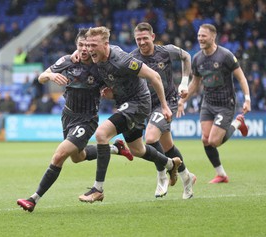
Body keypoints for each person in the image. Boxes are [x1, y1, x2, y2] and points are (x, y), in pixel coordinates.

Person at [16, 28, 133, 212]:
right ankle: (115, 148)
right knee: (77, 158)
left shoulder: (99, 65)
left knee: (59, 155)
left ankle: (33, 199)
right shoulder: (67, 60)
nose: (84, 49)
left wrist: (112, 93)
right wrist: (51, 75)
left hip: (87, 119)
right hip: (68, 115)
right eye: (81, 45)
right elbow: (41, 78)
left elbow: (115, 79)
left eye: (87, 45)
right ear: (76, 46)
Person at [77, 26, 182, 203]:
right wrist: (111, 92)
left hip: (138, 103)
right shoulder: (97, 58)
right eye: (87, 45)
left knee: (102, 134)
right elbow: (83, 55)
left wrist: (164, 106)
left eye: (93, 45)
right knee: (137, 149)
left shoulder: (122, 60)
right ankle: (171, 164)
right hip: (125, 104)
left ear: (105, 44)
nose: (89, 49)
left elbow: (154, 76)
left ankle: (98, 189)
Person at [177, 24, 251, 184]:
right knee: (205, 139)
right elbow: (195, 84)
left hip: (226, 103)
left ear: (213, 37)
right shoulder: (197, 58)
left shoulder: (225, 56)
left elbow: (241, 77)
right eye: (198, 36)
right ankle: (222, 175)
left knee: (214, 141)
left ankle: (238, 123)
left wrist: (247, 98)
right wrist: (182, 100)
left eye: (203, 36)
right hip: (208, 103)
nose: (200, 39)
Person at [130, 22, 196, 199]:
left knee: (150, 138)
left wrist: (184, 82)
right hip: (146, 105)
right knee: (168, 147)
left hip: (168, 102)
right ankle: (187, 177)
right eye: (138, 39)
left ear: (152, 37)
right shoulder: (132, 58)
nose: (142, 42)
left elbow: (187, 56)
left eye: (145, 38)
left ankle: (161, 177)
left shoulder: (166, 51)